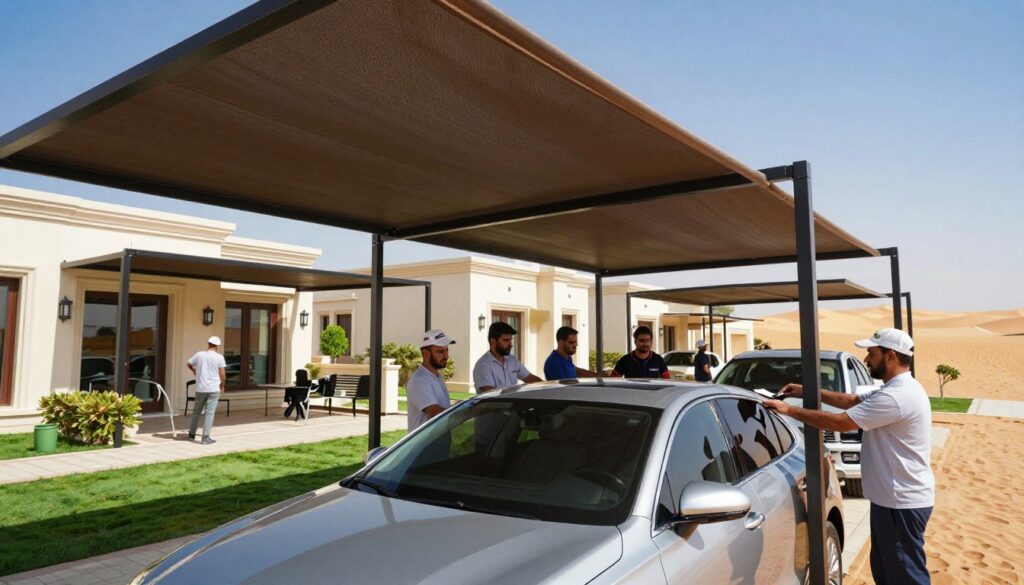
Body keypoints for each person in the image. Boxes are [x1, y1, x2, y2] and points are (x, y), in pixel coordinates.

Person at [763, 328, 933, 585]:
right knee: (888, 574)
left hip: (901, 503)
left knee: (906, 577)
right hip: (891, 500)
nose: (866, 359)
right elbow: (851, 400)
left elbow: (841, 422)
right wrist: (805, 391)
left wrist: (788, 410)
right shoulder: (896, 389)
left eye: (871, 353)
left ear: (890, 356)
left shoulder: (898, 397)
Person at [406, 329, 456, 431]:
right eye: (441, 351)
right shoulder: (420, 380)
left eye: (447, 350)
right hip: (424, 445)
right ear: (426, 353)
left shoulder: (437, 376)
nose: (446, 356)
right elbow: (435, 413)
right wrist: (465, 413)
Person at [473, 321, 542, 392]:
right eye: (506, 340)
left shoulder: (512, 360)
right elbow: (489, 394)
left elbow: (530, 378)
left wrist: (546, 387)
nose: (510, 344)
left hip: (513, 402)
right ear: (493, 342)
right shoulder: (483, 365)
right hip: (494, 403)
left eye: (511, 340)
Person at [186, 336, 226, 445]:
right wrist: (222, 386)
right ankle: (205, 438)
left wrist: (194, 371)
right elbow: (222, 375)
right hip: (213, 389)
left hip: (200, 388)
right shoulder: (219, 357)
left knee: (196, 412)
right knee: (209, 413)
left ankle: (191, 434)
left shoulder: (199, 355)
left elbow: (189, 364)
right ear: (217, 346)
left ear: (208, 344)